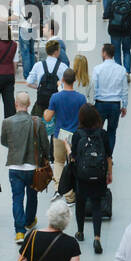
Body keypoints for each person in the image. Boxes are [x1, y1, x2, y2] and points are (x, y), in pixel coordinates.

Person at [1, 92, 52, 244]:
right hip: (33, 167)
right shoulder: (37, 122)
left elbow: (4, 142)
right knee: (32, 196)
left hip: (15, 167)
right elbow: (45, 144)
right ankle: (29, 221)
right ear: (29, 104)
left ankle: (19, 232)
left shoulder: (7, 122)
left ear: (16, 104)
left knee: (17, 198)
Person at [69, 103, 113, 252]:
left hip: (82, 176)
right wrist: (109, 174)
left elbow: (74, 157)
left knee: (80, 203)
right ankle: (97, 238)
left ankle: (80, 232)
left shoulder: (77, 135)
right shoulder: (103, 134)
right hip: (99, 175)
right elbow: (108, 157)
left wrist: (68, 149)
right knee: (96, 205)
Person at [45, 68, 87, 202]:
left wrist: (47, 110)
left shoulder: (55, 97)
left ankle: (58, 189)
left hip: (60, 134)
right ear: (75, 81)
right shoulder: (81, 98)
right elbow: (84, 118)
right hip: (75, 135)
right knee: (73, 163)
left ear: (62, 80)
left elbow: (47, 117)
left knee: (58, 162)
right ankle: (71, 195)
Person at [91, 42, 129, 154]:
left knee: (97, 131)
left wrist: (93, 103)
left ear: (104, 53)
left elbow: (94, 87)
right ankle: (109, 157)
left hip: (100, 104)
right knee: (112, 132)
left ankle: (98, 155)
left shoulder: (97, 69)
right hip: (115, 105)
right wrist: (124, 106)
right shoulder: (121, 70)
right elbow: (124, 90)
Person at [25, 39, 69, 118]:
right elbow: (66, 86)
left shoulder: (38, 65)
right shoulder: (63, 67)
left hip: (41, 102)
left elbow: (28, 83)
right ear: (56, 52)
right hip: (57, 104)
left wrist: (38, 86)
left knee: (37, 121)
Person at [9, 0, 39, 76]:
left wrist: (3, 18)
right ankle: (33, 74)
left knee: (25, 52)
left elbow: (15, 16)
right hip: (33, 26)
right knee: (31, 51)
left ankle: (27, 75)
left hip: (24, 27)